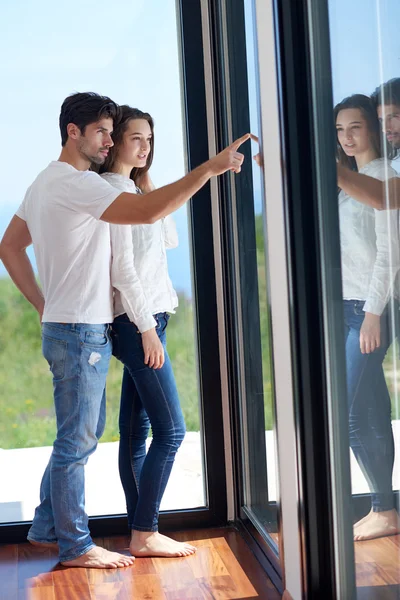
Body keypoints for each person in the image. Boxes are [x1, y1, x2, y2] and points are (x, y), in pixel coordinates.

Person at [0, 92, 249, 569]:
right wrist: (209, 169)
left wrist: (42, 304)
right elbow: (147, 214)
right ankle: (75, 545)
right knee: (78, 442)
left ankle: (49, 526)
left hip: (69, 325)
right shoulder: (81, 185)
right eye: (102, 132)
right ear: (73, 131)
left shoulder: (44, 181)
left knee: (82, 434)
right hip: (81, 329)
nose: (109, 141)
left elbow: (10, 247)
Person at [95, 106, 193, 558]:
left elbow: (168, 239)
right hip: (139, 323)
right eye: (136, 138)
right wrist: (147, 329)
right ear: (114, 141)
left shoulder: (134, 189)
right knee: (171, 431)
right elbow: (124, 272)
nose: (145, 147)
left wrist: (149, 187)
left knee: (136, 430)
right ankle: (146, 530)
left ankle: (140, 530)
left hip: (150, 319)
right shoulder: (111, 194)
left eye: (149, 139)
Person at [335, 94, 400, 541]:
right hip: (346, 308)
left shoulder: (384, 178)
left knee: (351, 408)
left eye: (355, 127)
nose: (347, 137)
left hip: (368, 310)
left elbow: (388, 257)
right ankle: (386, 508)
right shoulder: (354, 182)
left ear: (373, 130)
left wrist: (374, 315)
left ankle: (383, 507)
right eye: (340, 130)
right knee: (371, 406)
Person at [337, 78, 400, 209]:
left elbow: (384, 197)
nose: (385, 128)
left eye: (393, 117)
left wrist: (327, 167)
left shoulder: (383, 173)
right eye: (381, 120)